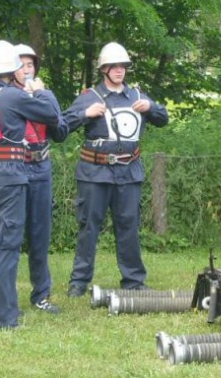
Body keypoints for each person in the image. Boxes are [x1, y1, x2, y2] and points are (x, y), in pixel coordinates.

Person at [0, 40, 63, 328]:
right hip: (9, 174)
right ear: (11, 69)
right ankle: (2, 317)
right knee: (6, 245)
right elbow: (52, 115)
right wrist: (41, 90)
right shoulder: (11, 96)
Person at [62, 42, 168, 297]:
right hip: (94, 173)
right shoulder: (89, 97)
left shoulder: (137, 96)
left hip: (128, 171)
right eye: (114, 66)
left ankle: (133, 280)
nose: (120, 70)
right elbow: (62, 125)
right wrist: (86, 114)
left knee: (128, 225)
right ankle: (79, 281)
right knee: (89, 225)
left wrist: (151, 108)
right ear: (104, 69)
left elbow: (163, 119)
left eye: (123, 66)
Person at [12, 43, 67, 314]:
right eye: (21, 64)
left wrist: (43, 94)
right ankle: (5, 295)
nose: (27, 69)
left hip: (41, 167)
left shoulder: (44, 95)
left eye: (30, 64)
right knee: (10, 233)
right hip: (16, 167)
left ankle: (41, 294)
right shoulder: (8, 95)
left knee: (40, 234)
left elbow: (61, 130)